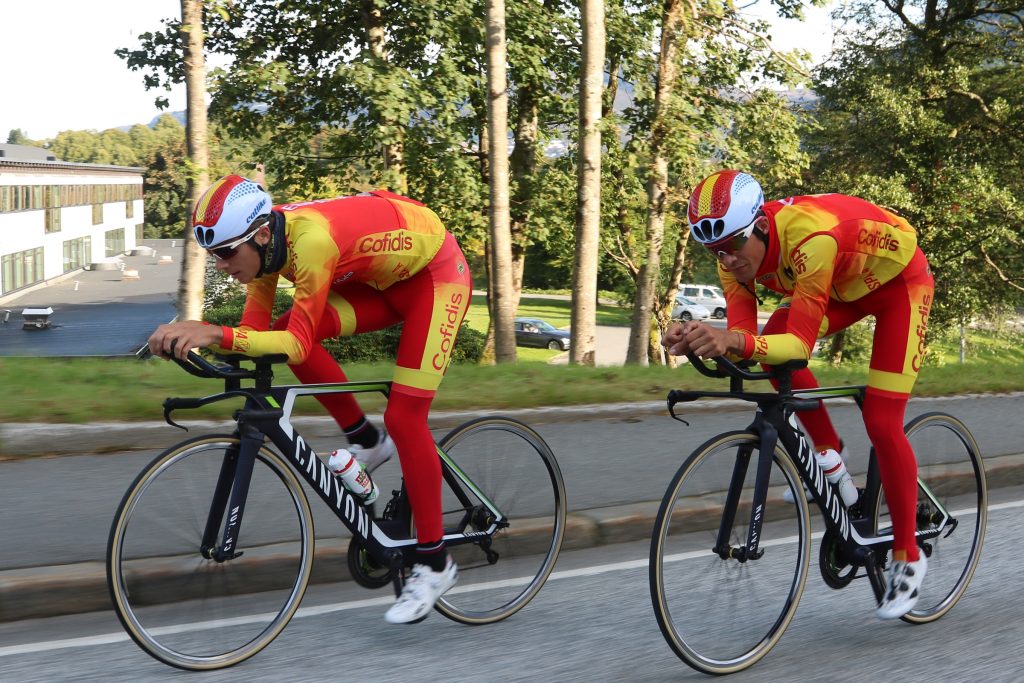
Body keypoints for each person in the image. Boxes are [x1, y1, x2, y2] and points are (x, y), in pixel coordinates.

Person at [148, 174, 472, 624]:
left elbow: (293, 346)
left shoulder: (311, 242)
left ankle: (436, 563)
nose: (220, 265)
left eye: (225, 252)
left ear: (260, 234)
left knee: (405, 416)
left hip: (435, 278)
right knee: (287, 329)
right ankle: (366, 440)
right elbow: (257, 334)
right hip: (382, 284)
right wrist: (195, 338)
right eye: (212, 254)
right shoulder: (264, 253)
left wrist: (212, 332)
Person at [663, 169, 934, 620]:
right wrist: (698, 338)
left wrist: (732, 340)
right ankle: (829, 456)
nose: (726, 260)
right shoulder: (732, 258)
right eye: (713, 251)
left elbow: (799, 350)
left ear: (762, 227)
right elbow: (745, 343)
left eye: (731, 246)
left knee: (883, 423)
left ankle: (909, 555)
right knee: (772, 339)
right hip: (847, 287)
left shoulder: (812, 239)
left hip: (899, 285)